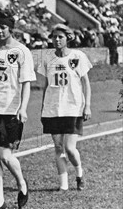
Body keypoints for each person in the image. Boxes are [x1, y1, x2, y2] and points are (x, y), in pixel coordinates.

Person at [0, 12, 35, 209]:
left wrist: (23, 107)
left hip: (10, 108)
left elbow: (26, 82)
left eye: (3, 27)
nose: (0, 31)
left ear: (11, 28)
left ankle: (21, 183)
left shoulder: (21, 51)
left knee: (5, 155)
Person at [36, 24, 92, 191]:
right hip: (53, 108)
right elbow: (46, 85)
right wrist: (43, 107)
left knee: (69, 147)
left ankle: (79, 173)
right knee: (58, 147)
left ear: (68, 38)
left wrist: (87, 105)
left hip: (73, 107)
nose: (57, 40)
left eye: (60, 36)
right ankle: (63, 185)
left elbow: (86, 84)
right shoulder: (47, 58)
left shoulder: (77, 56)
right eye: (54, 37)